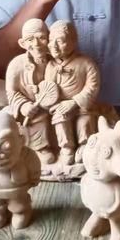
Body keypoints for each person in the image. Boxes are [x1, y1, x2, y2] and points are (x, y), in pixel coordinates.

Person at [44, 20, 100, 164]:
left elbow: (92, 86)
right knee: (60, 118)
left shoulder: (86, 63)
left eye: (60, 41)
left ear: (73, 42)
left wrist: (74, 102)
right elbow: (48, 89)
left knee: (84, 121)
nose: (54, 46)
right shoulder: (50, 66)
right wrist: (54, 103)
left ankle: (84, 145)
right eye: (51, 40)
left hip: (81, 106)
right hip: (60, 105)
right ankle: (66, 147)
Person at [4, 19, 55, 165]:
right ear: (22, 43)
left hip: (53, 105)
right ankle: (39, 148)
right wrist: (24, 105)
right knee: (35, 117)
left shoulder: (56, 61)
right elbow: (11, 91)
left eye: (41, 37)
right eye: (30, 40)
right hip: (30, 110)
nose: (36, 44)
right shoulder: (16, 65)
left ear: (49, 38)